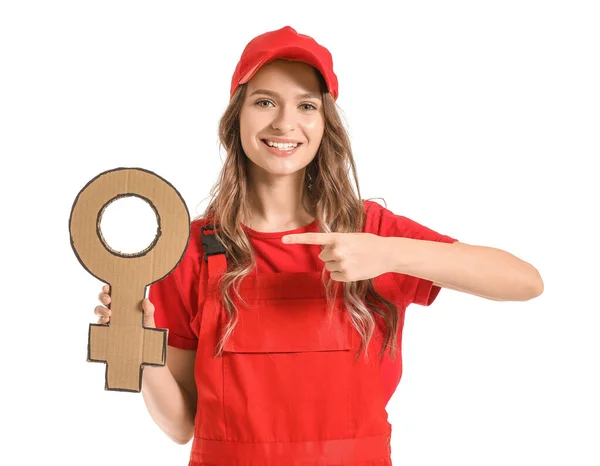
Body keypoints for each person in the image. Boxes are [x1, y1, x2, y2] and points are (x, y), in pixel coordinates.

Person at [94, 26, 543, 466]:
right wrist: (139, 345)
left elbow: (525, 282)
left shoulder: (368, 231)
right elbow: (181, 426)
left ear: (325, 123)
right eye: (265, 101)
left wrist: (389, 253)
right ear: (236, 117)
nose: (284, 123)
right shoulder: (192, 248)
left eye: (305, 105)